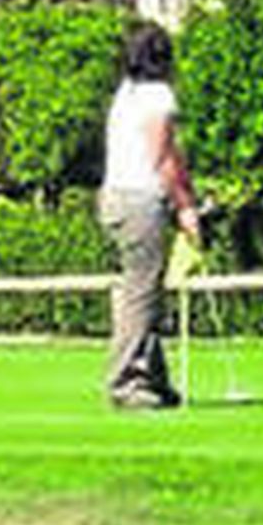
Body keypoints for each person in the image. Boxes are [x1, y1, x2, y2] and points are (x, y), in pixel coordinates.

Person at [99, 23, 201, 410]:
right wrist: (186, 206)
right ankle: (125, 382)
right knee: (141, 295)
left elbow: (169, 153)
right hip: (142, 201)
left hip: (115, 199)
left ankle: (154, 379)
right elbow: (162, 157)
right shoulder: (158, 95)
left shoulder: (125, 94)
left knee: (145, 292)